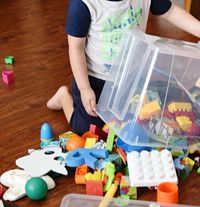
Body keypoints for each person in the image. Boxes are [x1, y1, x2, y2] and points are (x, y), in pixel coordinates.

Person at [47, 0, 200, 136]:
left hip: (130, 75)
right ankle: (63, 97)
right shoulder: (84, 4)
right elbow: (76, 48)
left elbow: (171, 11)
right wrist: (84, 88)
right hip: (95, 78)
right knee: (86, 129)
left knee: (139, 121)